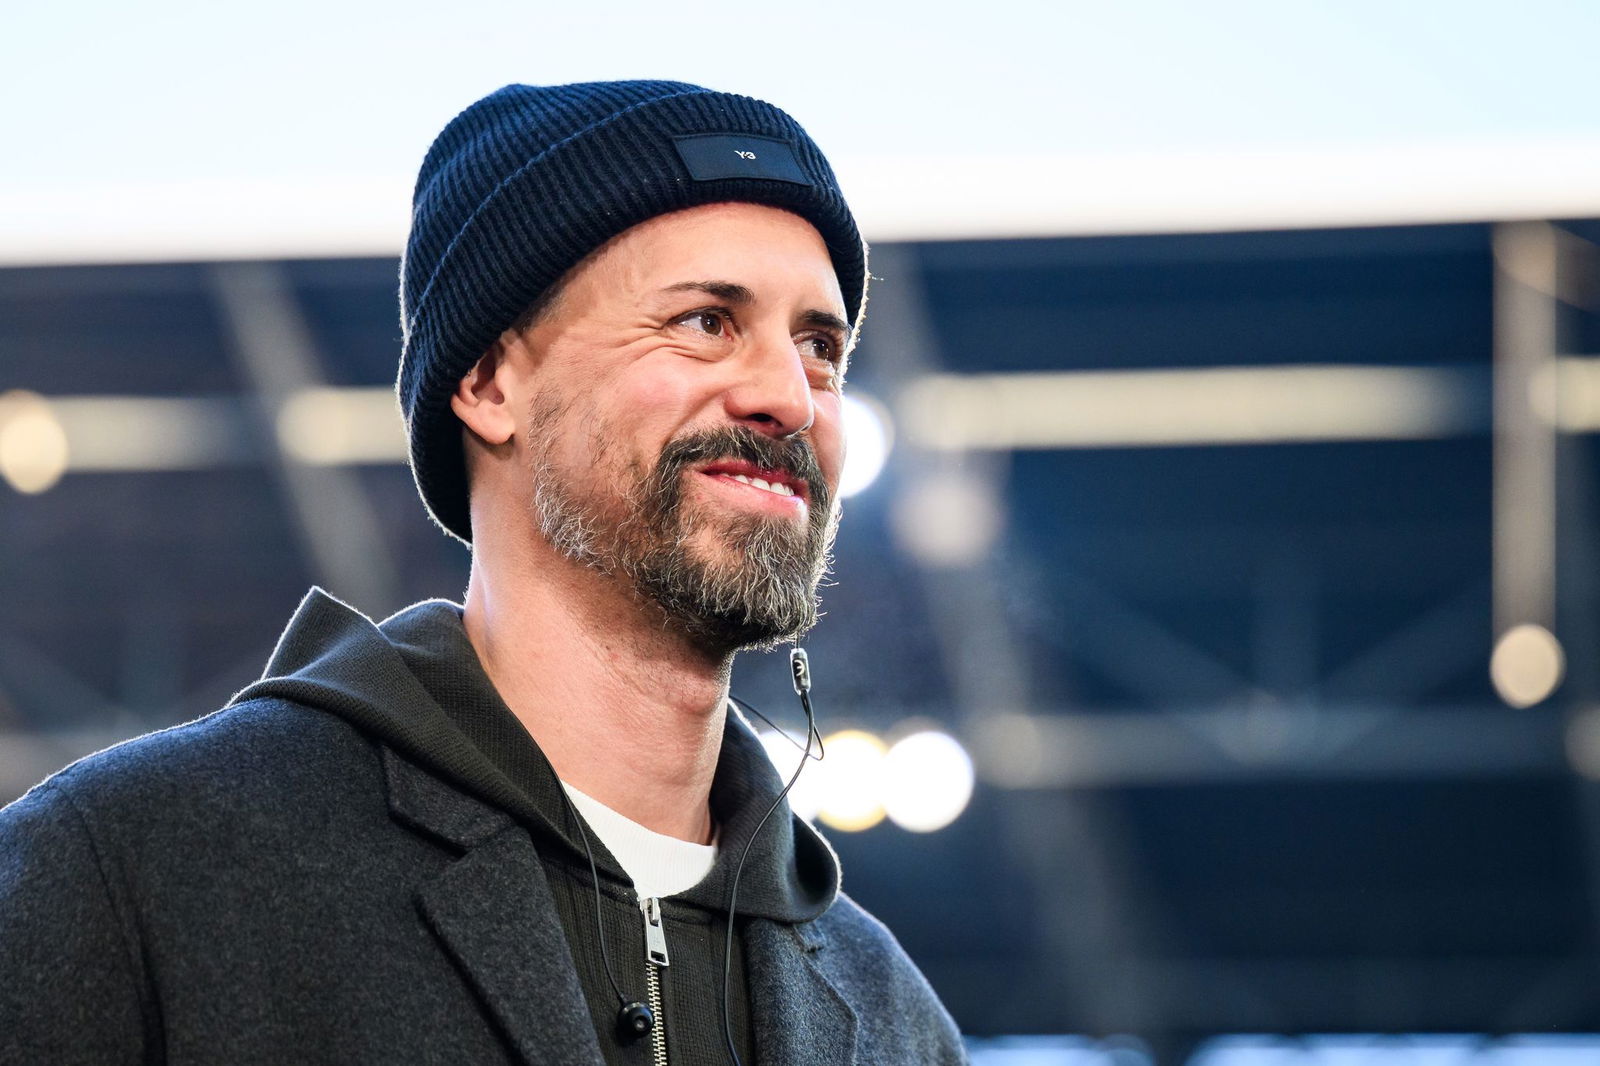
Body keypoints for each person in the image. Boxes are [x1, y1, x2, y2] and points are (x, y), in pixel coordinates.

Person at [0, 81, 968, 1064]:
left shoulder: (890, 1015)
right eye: (706, 321)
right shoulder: (136, 867)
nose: (788, 398)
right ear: (487, 382)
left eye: (820, 347)